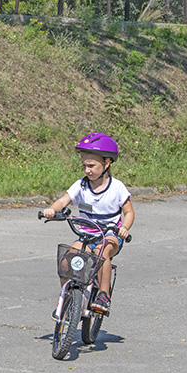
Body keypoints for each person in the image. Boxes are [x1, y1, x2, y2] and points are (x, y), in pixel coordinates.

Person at [42, 133, 135, 315]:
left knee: (102, 252)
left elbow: (129, 212)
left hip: (110, 235)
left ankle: (103, 295)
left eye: (91, 165)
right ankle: (67, 297)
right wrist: (52, 209)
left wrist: (124, 227)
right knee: (67, 259)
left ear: (106, 163)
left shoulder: (117, 188)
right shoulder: (81, 185)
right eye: (84, 165)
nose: (87, 170)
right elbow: (63, 201)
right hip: (87, 235)